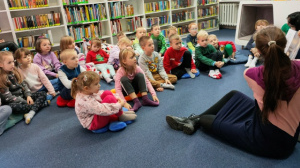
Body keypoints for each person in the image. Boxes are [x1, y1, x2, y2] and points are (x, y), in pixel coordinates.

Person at [166, 26, 300, 158]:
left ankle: (195, 120)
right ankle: (192, 120)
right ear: (284, 45)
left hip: (269, 142)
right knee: (235, 94)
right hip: (287, 135)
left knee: (206, 120)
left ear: (257, 50)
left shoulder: (252, 74)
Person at [73, 71, 137, 133]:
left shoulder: (86, 92)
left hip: (96, 113)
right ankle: (121, 116)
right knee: (109, 98)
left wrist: (117, 98)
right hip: (93, 123)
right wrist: (119, 105)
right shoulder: (86, 101)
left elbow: (101, 94)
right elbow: (102, 109)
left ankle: (120, 114)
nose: (99, 85)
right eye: (96, 84)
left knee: (107, 92)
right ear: (86, 88)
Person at [0, 51, 48, 124]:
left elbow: (23, 85)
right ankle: (40, 105)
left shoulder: (14, 71)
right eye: (9, 63)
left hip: (24, 97)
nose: (12, 64)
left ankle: (32, 111)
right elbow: (8, 97)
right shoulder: (1, 79)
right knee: (13, 107)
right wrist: (24, 101)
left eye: (13, 61)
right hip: (15, 102)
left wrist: (28, 95)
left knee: (43, 93)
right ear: (1, 64)